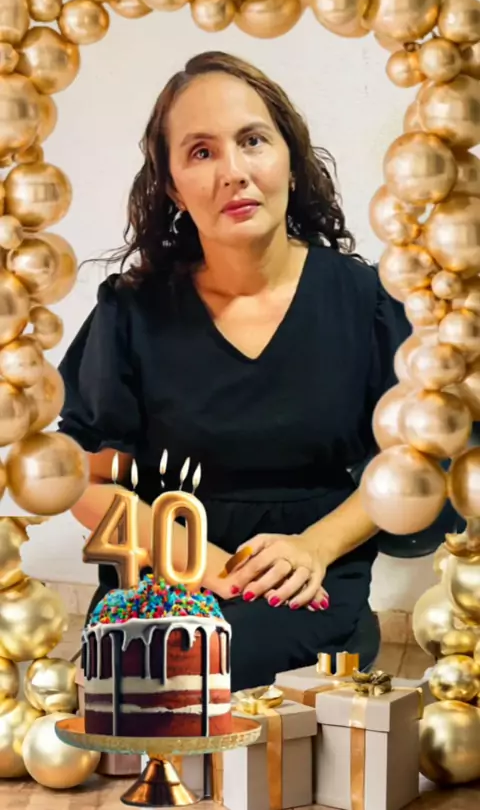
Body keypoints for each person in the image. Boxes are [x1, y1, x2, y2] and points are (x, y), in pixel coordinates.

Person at [58, 51, 407, 692]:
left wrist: (316, 547)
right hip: (168, 566)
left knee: (207, 677)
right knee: (151, 674)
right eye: (201, 152)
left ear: (291, 162)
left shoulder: (365, 300)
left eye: (252, 141)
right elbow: (82, 477)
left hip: (305, 572)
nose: (234, 173)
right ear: (172, 188)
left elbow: (410, 463)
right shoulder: (131, 311)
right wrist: (205, 565)